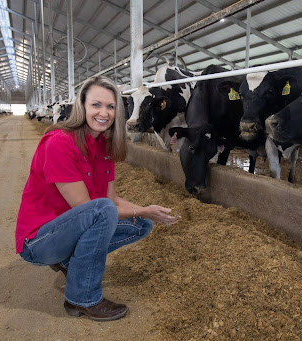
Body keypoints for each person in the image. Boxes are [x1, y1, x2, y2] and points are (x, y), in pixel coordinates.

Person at [15, 75, 179, 322]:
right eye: (96, 105)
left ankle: (71, 261)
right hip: (40, 242)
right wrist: (141, 210)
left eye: (111, 106)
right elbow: (91, 209)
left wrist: (145, 211)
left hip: (69, 230)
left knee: (142, 225)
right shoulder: (59, 143)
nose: (104, 113)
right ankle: (81, 298)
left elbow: (111, 198)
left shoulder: (104, 146)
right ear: (82, 106)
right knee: (104, 211)